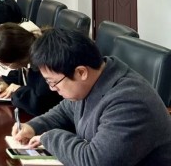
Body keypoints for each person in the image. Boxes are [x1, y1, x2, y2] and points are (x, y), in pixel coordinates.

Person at [13, 28, 171, 166]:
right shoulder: (94, 80)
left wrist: (49, 137)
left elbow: (94, 161)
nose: (52, 89)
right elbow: (65, 111)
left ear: (81, 72)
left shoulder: (129, 102)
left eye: (54, 82)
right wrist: (34, 127)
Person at [0, 23, 61, 116]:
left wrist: (18, 91)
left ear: (18, 58)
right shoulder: (30, 51)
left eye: (7, 64)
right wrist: (3, 83)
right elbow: (20, 74)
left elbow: (39, 104)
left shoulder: (46, 62)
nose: (8, 66)